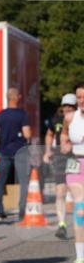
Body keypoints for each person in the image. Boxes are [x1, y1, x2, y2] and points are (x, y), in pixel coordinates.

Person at [0, 87, 33, 220]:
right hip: (20, 151)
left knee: (1, 181)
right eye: (20, 95)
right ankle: (22, 210)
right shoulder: (22, 114)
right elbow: (27, 134)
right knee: (23, 181)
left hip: (4, 151)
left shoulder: (0, 115)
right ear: (16, 97)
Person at [61, 82, 84, 263]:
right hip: (76, 164)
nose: (81, 100)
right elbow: (63, 135)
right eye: (78, 97)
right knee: (80, 209)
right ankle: (80, 259)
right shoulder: (70, 117)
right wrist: (64, 145)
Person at [45, 93, 76, 240]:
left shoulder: (80, 120)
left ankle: (79, 223)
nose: (68, 108)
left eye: (71, 106)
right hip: (59, 158)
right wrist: (47, 150)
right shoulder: (56, 119)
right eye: (65, 105)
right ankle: (62, 224)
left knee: (78, 192)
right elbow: (49, 134)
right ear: (62, 106)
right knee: (60, 192)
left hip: (76, 158)